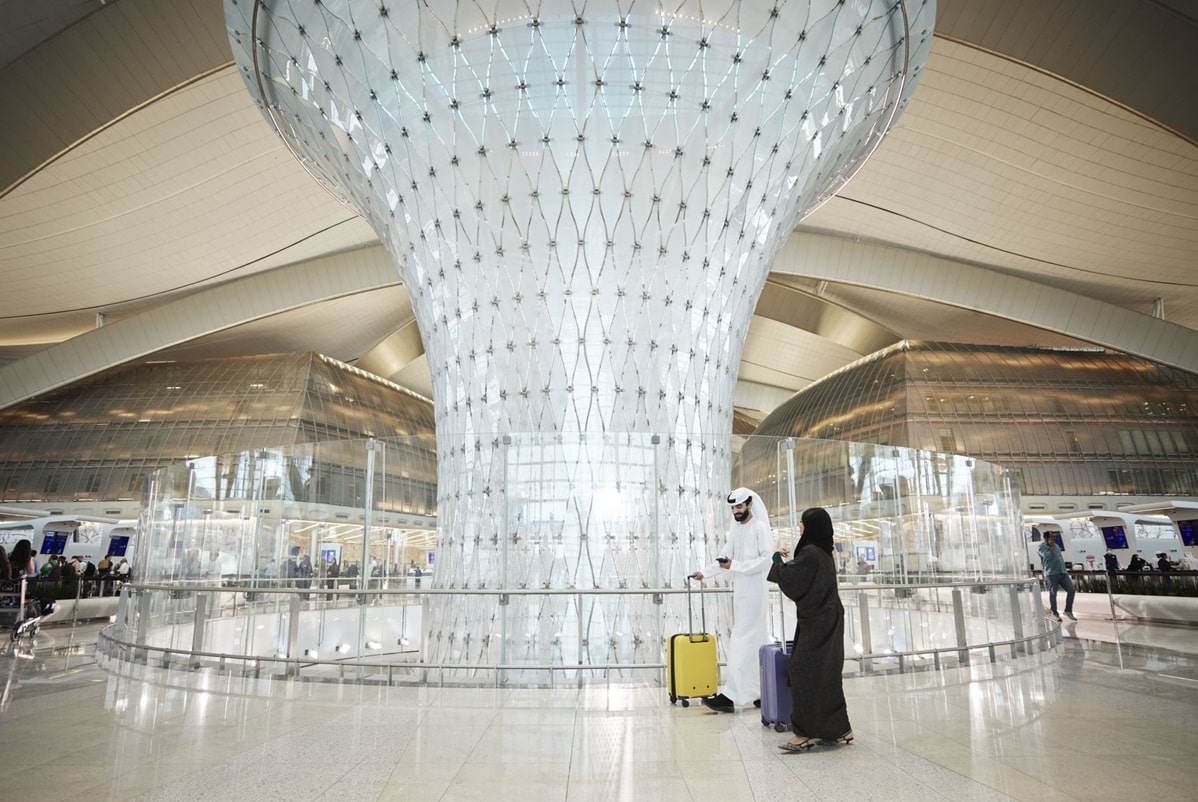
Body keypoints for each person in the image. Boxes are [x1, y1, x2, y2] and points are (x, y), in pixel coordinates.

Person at [768, 507, 853, 751]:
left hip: (818, 622)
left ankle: (806, 733)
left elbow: (790, 577)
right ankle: (840, 729)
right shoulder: (824, 552)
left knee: (803, 672)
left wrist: (776, 559)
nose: (799, 528)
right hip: (828, 618)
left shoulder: (811, 553)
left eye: (803, 524)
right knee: (826, 674)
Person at [689, 487, 773, 713]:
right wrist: (704, 573)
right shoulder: (736, 530)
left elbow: (766, 561)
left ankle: (729, 695)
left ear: (749, 505)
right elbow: (725, 558)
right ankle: (761, 692)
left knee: (740, 640)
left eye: (739, 507)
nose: (736, 511)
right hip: (741, 593)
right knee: (754, 642)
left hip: (755, 593)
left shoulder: (760, 528)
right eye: (733, 508)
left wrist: (735, 566)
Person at [1038, 531, 1075, 621]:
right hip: (1051, 574)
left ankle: (1068, 610)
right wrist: (1050, 547)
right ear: (1046, 538)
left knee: (1071, 590)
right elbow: (1047, 556)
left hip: (1062, 572)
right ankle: (1054, 612)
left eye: (1054, 537)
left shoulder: (1057, 546)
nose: (1053, 539)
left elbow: (1059, 558)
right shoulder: (1042, 547)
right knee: (1053, 593)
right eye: (1051, 537)